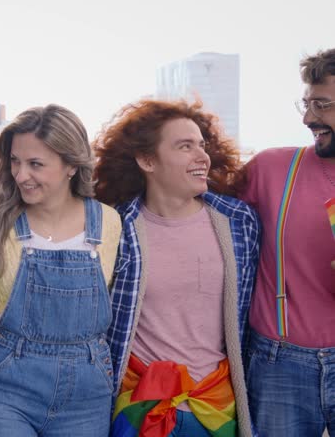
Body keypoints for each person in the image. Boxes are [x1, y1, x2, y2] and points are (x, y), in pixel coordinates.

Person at [93, 99, 260, 436]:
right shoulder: (115, 226)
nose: (202, 156)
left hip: (216, 408)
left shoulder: (238, 221)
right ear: (147, 160)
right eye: (185, 146)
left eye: (201, 145)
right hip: (139, 406)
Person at [0, 105, 122, 436]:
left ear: (71, 165)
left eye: (35, 164)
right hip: (5, 385)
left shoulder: (109, 222)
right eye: (15, 161)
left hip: (87, 394)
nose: (21, 175)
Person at [237, 49, 335, 436]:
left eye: (322, 104)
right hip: (279, 366)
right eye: (307, 103)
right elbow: (187, 207)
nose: (308, 118)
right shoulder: (271, 169)